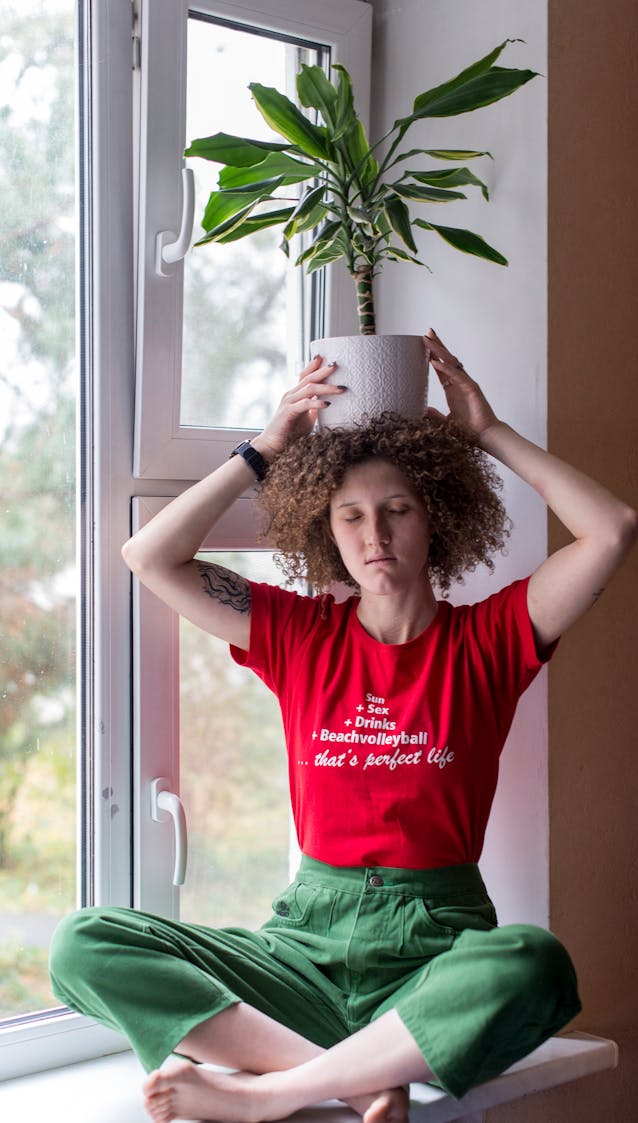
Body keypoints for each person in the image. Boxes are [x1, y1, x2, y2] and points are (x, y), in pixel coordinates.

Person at [49, 329, 636, 1123]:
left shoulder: (491, 638)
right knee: (85, 942)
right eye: (350, 515)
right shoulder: (297, 634)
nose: (374, 535)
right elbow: (149, 553)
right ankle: (361, 1079)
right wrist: (265, 447)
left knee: (534, 965)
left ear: (438, 518)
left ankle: (268, 1092)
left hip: (435, 951)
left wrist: (485, 432)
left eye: (397, 510)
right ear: (325, 527)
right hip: (302, 952)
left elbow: (612, 529)